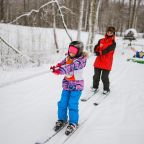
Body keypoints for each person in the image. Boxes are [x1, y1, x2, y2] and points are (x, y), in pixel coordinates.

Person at [50, 41, 88, 135]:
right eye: (70, 51)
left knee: (72, 104)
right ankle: (62, 119)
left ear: (79, 52)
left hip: (76, 87)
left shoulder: (80, 61)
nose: (71, 53)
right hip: (67, 85)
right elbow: (62, 63)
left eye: (73, 51)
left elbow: (70, 67)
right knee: (62, 103)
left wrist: (60, 70)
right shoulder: (68, 57)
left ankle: (73, 123)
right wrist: (57, 67)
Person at [92, 26, 116, 95]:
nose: (109, 33)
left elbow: (108, 50)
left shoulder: (113, 43)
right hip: (99, 60)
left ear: (113, 33)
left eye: (111, 32)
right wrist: (96, 50)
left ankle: (106, 89)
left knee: (104, 77)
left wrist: (99, 52)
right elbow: (96, 47)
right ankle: (95, 87)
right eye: (108, 31)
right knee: (96, 76)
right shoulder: (101, 40)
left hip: (107, 62)